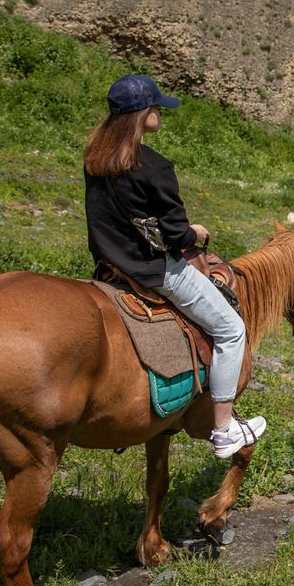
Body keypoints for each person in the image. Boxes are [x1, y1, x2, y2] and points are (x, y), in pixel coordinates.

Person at [84, 72, 261, 457]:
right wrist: (195, 233)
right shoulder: (154, 166)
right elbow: (176, 235)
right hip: (152, 271)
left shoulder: (96, 157)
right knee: (232, 330)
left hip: (108, 267)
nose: (160, 115)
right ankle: (225, 427)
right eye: (155, 108)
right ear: (141, 114)